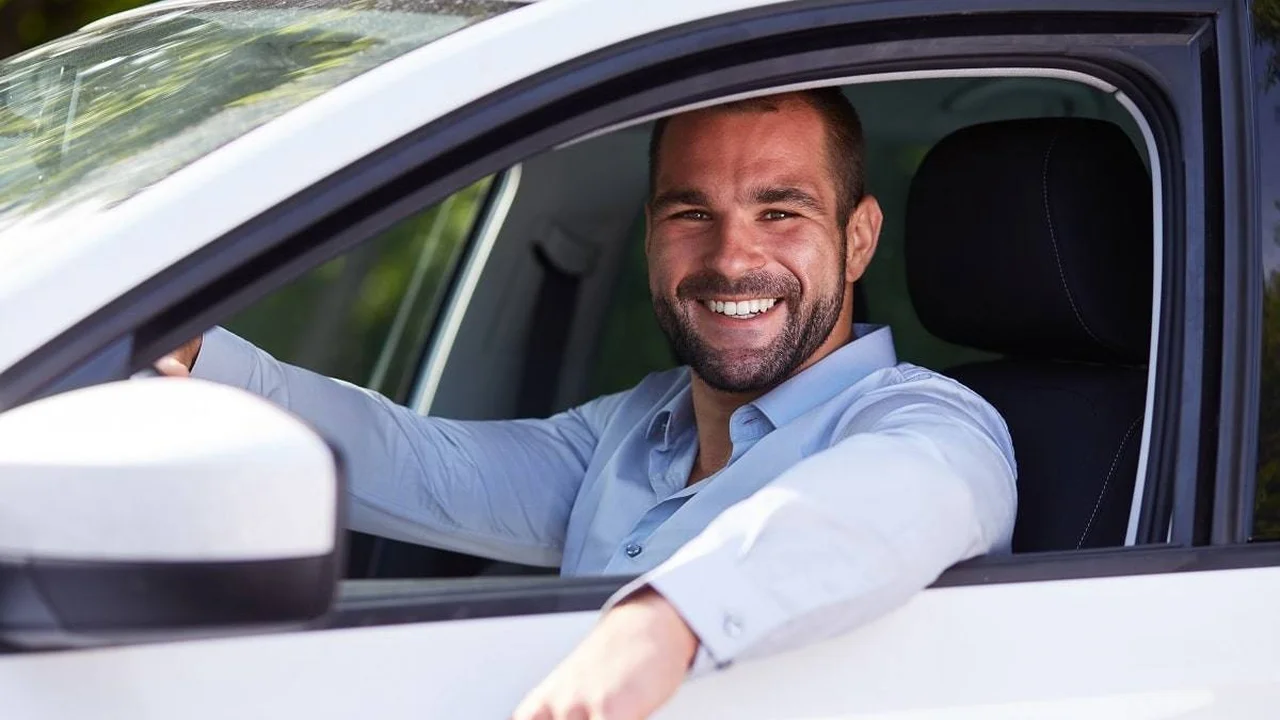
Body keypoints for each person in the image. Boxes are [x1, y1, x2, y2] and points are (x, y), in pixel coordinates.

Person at [158, 88, 1016, 720]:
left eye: (781, 211)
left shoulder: (930, 424)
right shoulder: (630, 428)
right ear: (652, 236)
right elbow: (421, 465)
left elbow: (897, 496)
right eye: (692, 212)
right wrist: (197, 360)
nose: (731, 257)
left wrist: (662, 621)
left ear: (857, 237)